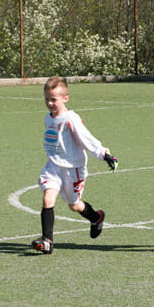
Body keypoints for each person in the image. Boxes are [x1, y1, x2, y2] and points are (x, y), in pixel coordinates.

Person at [34, 76, 118, 254]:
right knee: (48, 198)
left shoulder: (70, 118)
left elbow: (85, 138)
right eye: (47, 99)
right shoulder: (48, 118)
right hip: (54, 167)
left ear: (65, 98)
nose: (50, 103)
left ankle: (96, 217)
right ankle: (47, 241)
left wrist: (104, 154)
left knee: (74, 205)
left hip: (73, 169)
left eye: (53, 99)